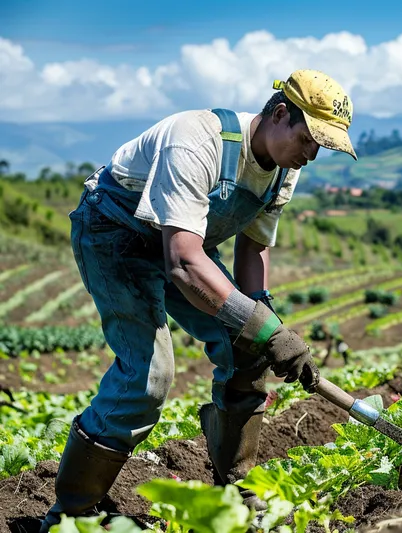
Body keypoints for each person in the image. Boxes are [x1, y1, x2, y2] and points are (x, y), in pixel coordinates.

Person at [40, 69, 358, 531]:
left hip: (182, 247)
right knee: (148, 377)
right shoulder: (197, 139)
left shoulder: (282, 172)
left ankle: (237, 490)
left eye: (321, 147)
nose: (311, 154)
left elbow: (254, 246)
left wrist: (263, 322)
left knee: (247, 349)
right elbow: (184, 262)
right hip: (116, 236)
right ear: (281, 114)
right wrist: (265, 329)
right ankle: (69, 515)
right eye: (309, 139)